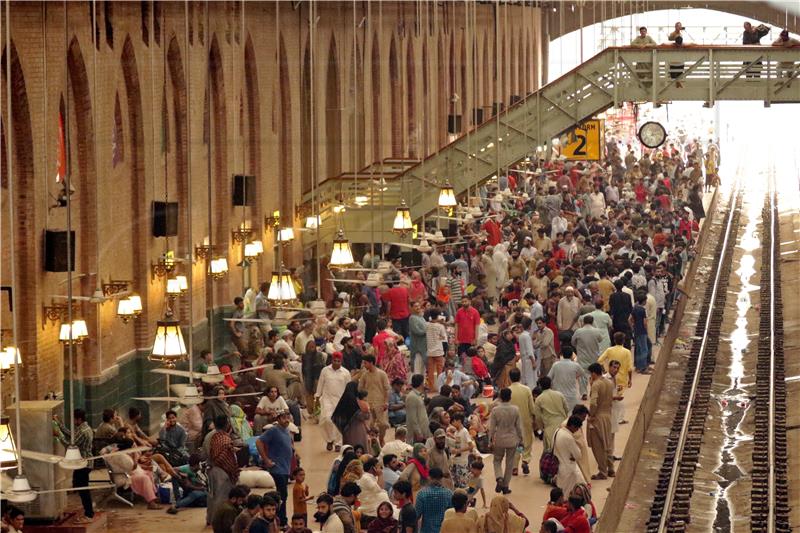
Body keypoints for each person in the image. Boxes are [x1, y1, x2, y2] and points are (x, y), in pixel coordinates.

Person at [54, 408, 95, 523]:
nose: (73, 422)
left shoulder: (83, 432)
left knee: (83, 490)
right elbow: (72, 436)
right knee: (79, 486)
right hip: (82, 463)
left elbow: (69, 444)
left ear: (79, 419)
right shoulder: (84, 428)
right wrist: (60, 425)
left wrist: (58, 435)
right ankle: (89, 511)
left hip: (83, 464)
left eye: (74, 419)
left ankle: (89, 514)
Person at [256, 410, 294, 525]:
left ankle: (279, 519)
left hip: (285, 468)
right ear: (278, 419)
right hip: (278, 469)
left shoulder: (287, 430)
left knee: (283, 495)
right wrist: (266, 459)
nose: (286, 419)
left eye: (288, 417)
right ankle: (281, 521)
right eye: (283, 417)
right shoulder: (273, 430)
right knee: (281, 497)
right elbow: (259, 442)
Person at [489, 388, 522, 495]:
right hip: (512, 439)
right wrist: (521, 439)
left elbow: (492, 428)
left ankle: (499, 477)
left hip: (499, 439)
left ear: (500, 397)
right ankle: (506, 486)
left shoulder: (495, 410)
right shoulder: (515, 409)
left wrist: (490, 440)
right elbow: (519, 427)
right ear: (510, 397)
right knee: (510, 463)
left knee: (497, 460)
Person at [316, 351, 351, 451]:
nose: (336, 363)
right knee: (326, 420)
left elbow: (348, 388)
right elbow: (320, 384)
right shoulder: (325, 370)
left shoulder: (345, 373)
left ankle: (338, 443)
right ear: (332, 360)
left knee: (339, 423)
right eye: (335, 361)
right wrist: (317, 397)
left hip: (340, 400)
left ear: (341, 361)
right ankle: (329, 439)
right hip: (327, 399)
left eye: (338, 361)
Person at [587, 363, 614, 479]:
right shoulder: (609, 382)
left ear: (593, 373)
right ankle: (611, 468)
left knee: (598, 445)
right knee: (608, 444)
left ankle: (602, 471)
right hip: (608, 415)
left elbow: (593, 402)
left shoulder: (596, 384)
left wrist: (591, 415)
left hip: (598, 417)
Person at [508, 368, 536, 476]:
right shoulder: (527, 389)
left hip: (512, 422)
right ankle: (525, 460)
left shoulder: (508, 390)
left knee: (516, 445)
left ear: (510, 378)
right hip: (526, 420)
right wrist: (534, 418)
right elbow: (532, 408)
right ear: (520, 377)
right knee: (527, 442)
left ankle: (514, 467)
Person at [359, 354, 391, 444]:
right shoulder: (364, 375)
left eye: (365, 363)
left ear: (371, 363)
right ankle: (372, 441)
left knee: (384, 424)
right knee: (369, 425)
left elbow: (387, 389)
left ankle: (381, 438)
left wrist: (386, 402)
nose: (364, 365)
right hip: (368, 403)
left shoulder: (382, 374)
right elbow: (360, 388)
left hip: (380, 403)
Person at [533, 376, 569, 452]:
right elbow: (566, 409)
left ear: (540, 386)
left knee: (551, 452)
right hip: (563, 426)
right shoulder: (559, 394)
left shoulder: (539, 399)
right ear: (551, 384)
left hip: (549, 428)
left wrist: (542, 428)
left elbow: (538, 417)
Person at [332, 381, 371, 451]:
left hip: (346, 430)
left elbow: (338, 416)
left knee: (349, 450)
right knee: (359, 450)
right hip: (358, 429)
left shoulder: (343, 401)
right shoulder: (354, 402)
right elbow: (362, 416)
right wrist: (367, 411)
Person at [571, 315, 603, 398]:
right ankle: (594, 391)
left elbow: (573, 342)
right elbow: (600, 339)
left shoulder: (578, 331)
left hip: (582, 356)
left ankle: (584, 393)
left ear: (583, 322)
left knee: (582, 375)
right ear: (592, 322)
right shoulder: (596, 331)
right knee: (595, 374)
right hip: (594, 356)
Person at [552, 416, 585, 496]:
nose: (576, 430)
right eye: (577, 428)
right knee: (568, 495)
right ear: (572, 426)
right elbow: (578, 455)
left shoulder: (557, 431)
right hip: (569, 470)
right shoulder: (568, 437)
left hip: (558, 468)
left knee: (561, 493)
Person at [415, 468, 453, 533]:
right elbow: (451, 514)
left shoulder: (422, 493)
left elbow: (417, 514)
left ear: (429, 477)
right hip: (443, 530)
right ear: (441, 478)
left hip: (426, 530)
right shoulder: (449, 493)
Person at [357, 457, 390, 528]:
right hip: (369, 507)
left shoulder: (373, 477)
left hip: (376, 504)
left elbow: (382, 488)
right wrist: (380, 475)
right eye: (378, 466)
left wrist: (380, 476)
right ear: (373, 468)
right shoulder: (366, 478)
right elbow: (378, 489)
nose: (380, 468)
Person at [548, 346, 583, 412]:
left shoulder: (555, 365)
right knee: (570, 416)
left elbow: (549, 377)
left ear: (562, 354)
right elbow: (581, 373)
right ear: (571, 355)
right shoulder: (576, 365)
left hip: (557, 395)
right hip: (571, 396)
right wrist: (574, 377)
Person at [405, 374, 431, 444]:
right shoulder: (412, 397)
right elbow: (413, 417)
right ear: (421, 383)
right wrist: (418, 432)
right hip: (416, 434)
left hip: (423, 429)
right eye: (424, 382)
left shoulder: (418, 395)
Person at [425, 311, 448, 389]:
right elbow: (443, 337)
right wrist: (438, 337)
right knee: (440, 372)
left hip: (429, 351)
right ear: (438, 317)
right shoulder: (440, 326)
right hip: (438, 351)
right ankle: (440, 387)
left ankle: (431, 387)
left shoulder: (426, 325)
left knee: (430, 372)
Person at [518, 317, 537, 388]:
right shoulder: (527, 336)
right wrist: (533, 362)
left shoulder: (521, 336)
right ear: (529, 326)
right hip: (529, 360)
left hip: (524, 359)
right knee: (530, 378)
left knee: (525, 376)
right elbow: (529, 351)